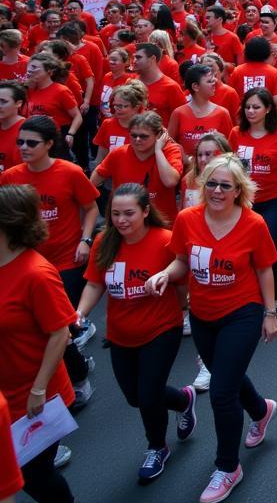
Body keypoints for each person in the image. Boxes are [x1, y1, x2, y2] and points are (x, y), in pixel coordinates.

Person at [145, 154, 277, 503]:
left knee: (221, 392)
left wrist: (270, 312)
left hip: (243, 312)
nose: (217, 191)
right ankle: (262, 411)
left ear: (239, 190)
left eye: (225, 185)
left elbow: (265, 269)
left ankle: (228, 467)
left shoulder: (253, 224)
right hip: (203, 314)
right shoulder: (188, 219)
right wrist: (165, 274)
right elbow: (182, 261)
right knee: (225, 375)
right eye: (212, 184)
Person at [76, 183, 196, 484]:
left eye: (129, 213)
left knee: (148, 394)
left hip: (161, 328)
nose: (121, 220)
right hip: (120, 333)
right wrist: (80, 313)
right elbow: (94, 283)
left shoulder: (165, 240)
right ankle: (183, 401)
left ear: (145, 211)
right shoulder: (105, 242)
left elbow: (182, 276)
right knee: (134, 397)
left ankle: (157, 447)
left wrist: (182, 304)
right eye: (115, 214)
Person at [0, 115, 99, 400]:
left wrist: (85, 239)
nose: (23, 148)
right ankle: (72, 369)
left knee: (60, 326)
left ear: (49, 144)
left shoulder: (69, 172)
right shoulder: (11, 177)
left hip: (65, 259)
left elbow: (91, 208)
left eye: (31, 143)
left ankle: (76, 378)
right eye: (20, 142)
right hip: (24, 261)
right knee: (41, 327)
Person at [0, 184, 78, 503]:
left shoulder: (37, 273)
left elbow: (61, 333)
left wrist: (39, 389)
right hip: (5, 393)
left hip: (34, 397)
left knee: (33, 476)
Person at [230, 87, 277, 293]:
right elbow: (230, 163)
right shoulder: (236, 133)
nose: (250, 111)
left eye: (256, 107)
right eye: (247, 107)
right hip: (244, 202)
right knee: (251, 247)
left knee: (267, 247)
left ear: (268, 109)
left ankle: (271, 301)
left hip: (274, 200)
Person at [91, 110, 183, 222]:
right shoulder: (119, 153)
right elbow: (92, 183)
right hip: (124, 222)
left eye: (144, 136)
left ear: (159, 135)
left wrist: (158, 151)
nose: (137, 139)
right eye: (133, 135)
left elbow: (170, 181)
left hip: (160, 222)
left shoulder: (170, 151)